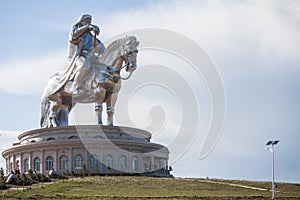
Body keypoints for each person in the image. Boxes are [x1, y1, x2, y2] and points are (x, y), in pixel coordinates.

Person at [67, 14, 105, 94]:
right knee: (84, 65)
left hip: (90, 57)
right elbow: (73, 37)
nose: (89, 23)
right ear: (81, 22)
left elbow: (101, 47)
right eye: (86, 21)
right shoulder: (76, 32)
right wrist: (87, 27)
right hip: (79, 56)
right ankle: (75, 87)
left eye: (89, 21)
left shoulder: (90, 37)